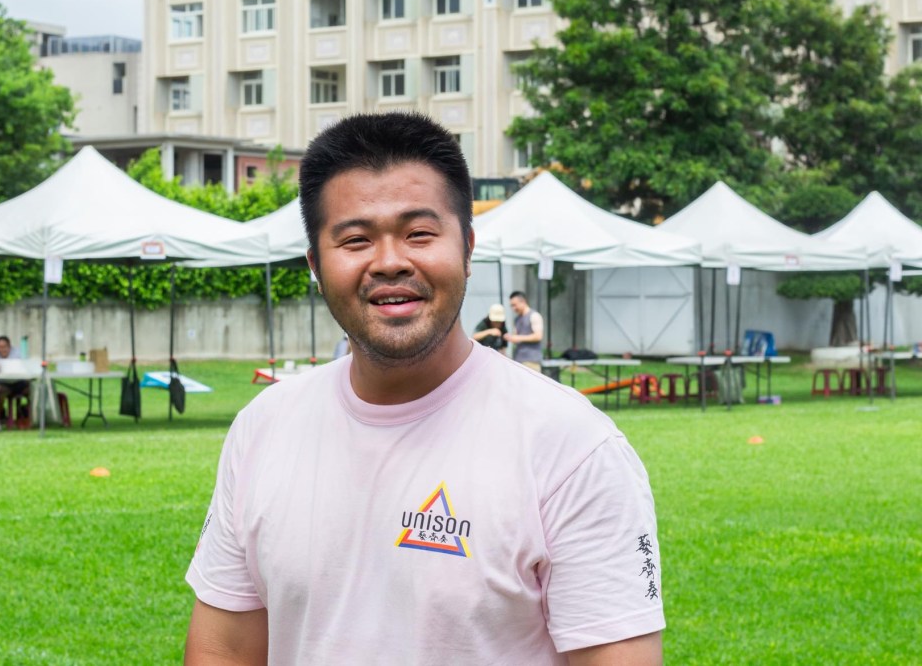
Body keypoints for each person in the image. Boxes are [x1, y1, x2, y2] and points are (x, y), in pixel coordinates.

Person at [184, 113, 664, 665]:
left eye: (419, 234)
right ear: (315, 264)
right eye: (356, 239)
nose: (389, 262)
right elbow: (222, 650)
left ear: (467, 246)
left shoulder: (572, 445)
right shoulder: (263, 427)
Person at [0, 335, 30, 421]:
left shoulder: (18, 353)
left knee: (33, 390)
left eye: (5, 347)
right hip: (3, 383)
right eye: (0, 347)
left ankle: (24, 410)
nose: (2, 349)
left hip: (19, 381)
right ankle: (1, 410)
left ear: (9, 346)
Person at [505, 290, 544, 371]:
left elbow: (538, 336)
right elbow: (516, 338)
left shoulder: (534, 316)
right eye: (511, 306)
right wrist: (510, 337)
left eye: (515, 305)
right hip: (518, 360)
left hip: (531, 361)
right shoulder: (517, 319)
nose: (513, 308)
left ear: (523, 301)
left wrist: (518, 338)